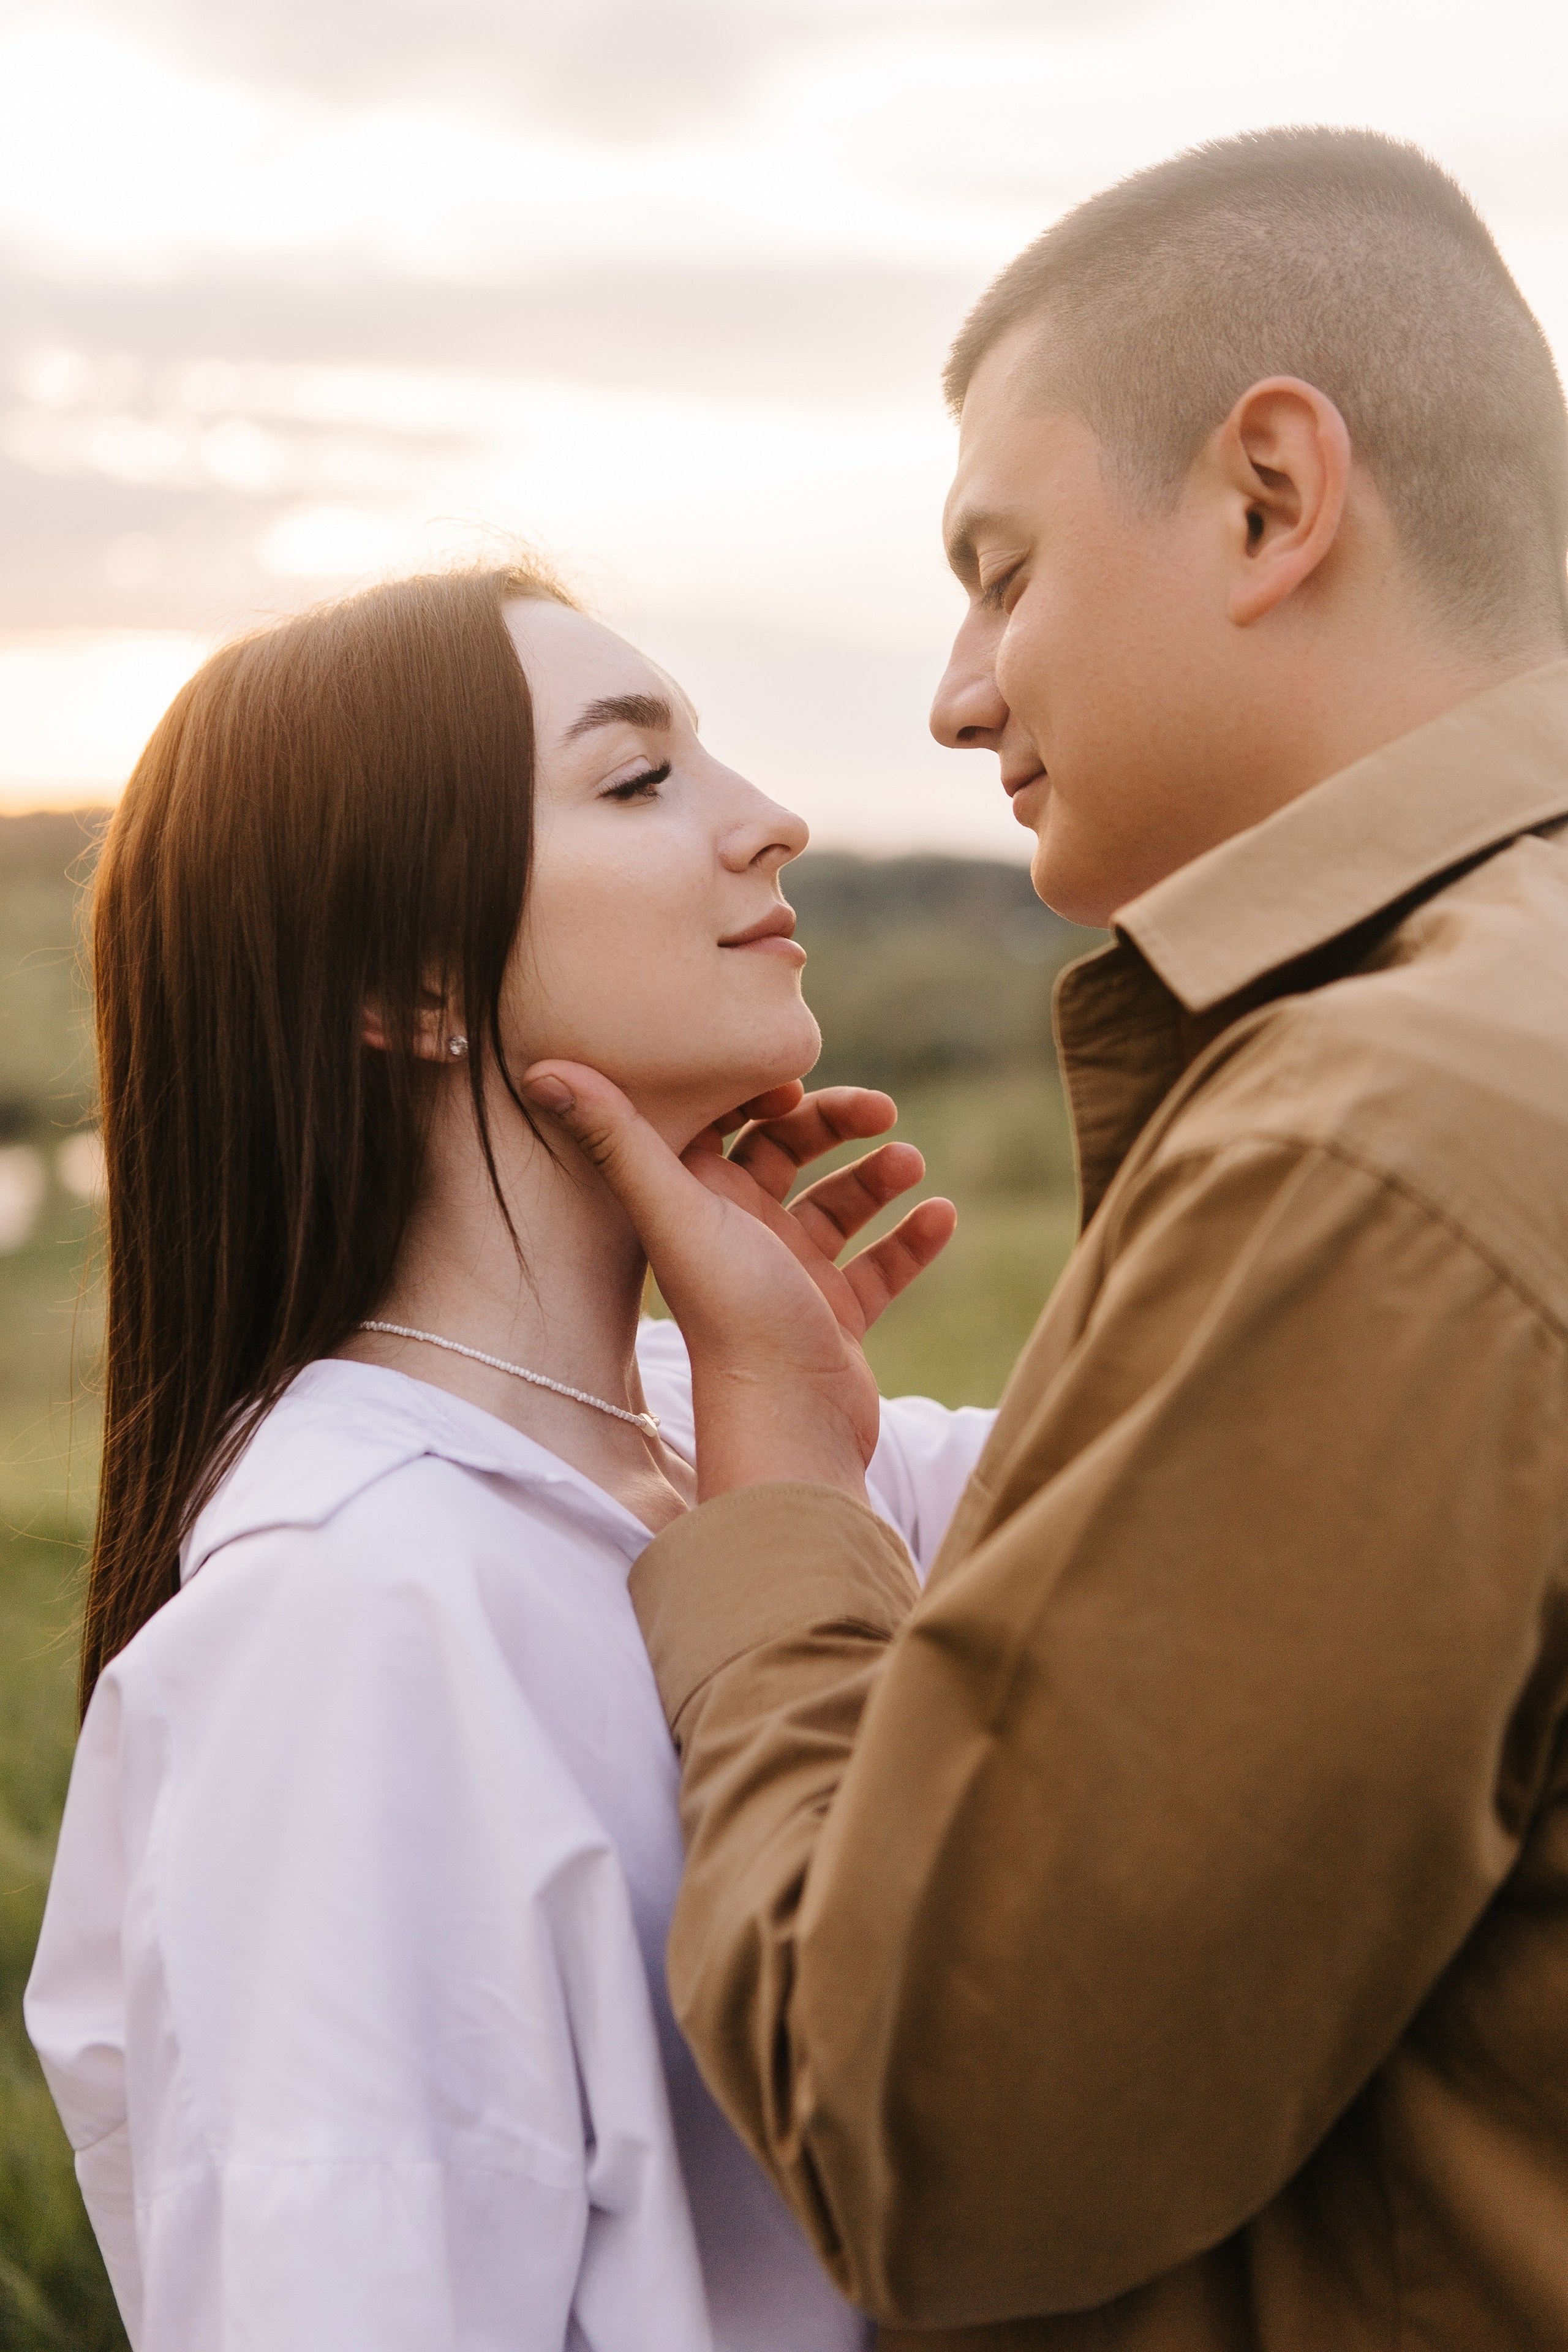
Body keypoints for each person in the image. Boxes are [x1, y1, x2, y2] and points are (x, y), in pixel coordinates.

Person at [518, 129, 1568, 2348]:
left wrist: (788, 1498)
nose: (957, 689)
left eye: (1002, 568)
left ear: (1271, 498)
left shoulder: (1372, 1150)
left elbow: (938, 2138)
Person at [23, 561, 985, 2351]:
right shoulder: (347, 1626)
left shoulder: (776, 1451)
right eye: (639, 779)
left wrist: (799, 1424)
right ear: (410, 979)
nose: (771, 821)